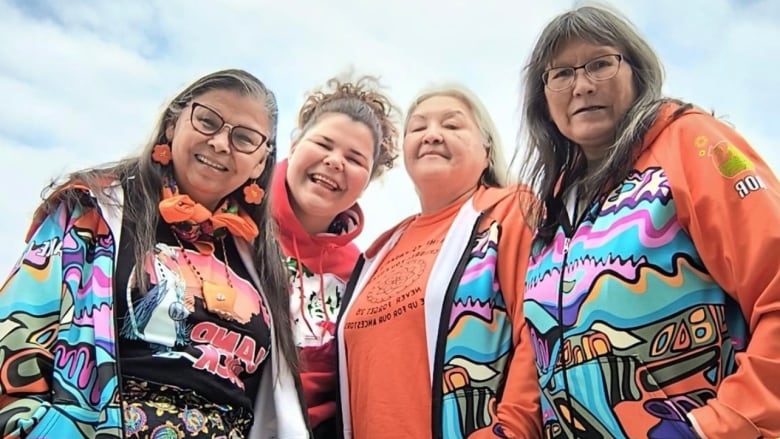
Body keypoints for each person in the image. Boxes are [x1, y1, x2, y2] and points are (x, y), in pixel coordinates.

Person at [0, 69, 309, 438]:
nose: (221, 143)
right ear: (172, 125)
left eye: (244, 138)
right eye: (208, 121)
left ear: (261, 161)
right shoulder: (92, 208)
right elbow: (17, 332)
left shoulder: (262, 262)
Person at [518, 5, 780, 438]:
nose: (581, 85)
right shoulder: (552, 205)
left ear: (636, 72)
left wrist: (717, 425)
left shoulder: (691, 142)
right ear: (542, 97)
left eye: (600, 63)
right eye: (560, 74)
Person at [336, 85, 542, 438]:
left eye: (452, 125)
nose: (432, 135)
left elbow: (539, 328)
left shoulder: (510, 211)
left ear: (487, 147)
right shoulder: (378, 251)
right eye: (418, 128)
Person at [270, 75, 399, 438]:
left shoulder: (363, 270)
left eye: (355, 159)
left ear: (369, 179)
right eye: (323, 144)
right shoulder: (235, 225)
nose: (334, 161)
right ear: (294, 144)